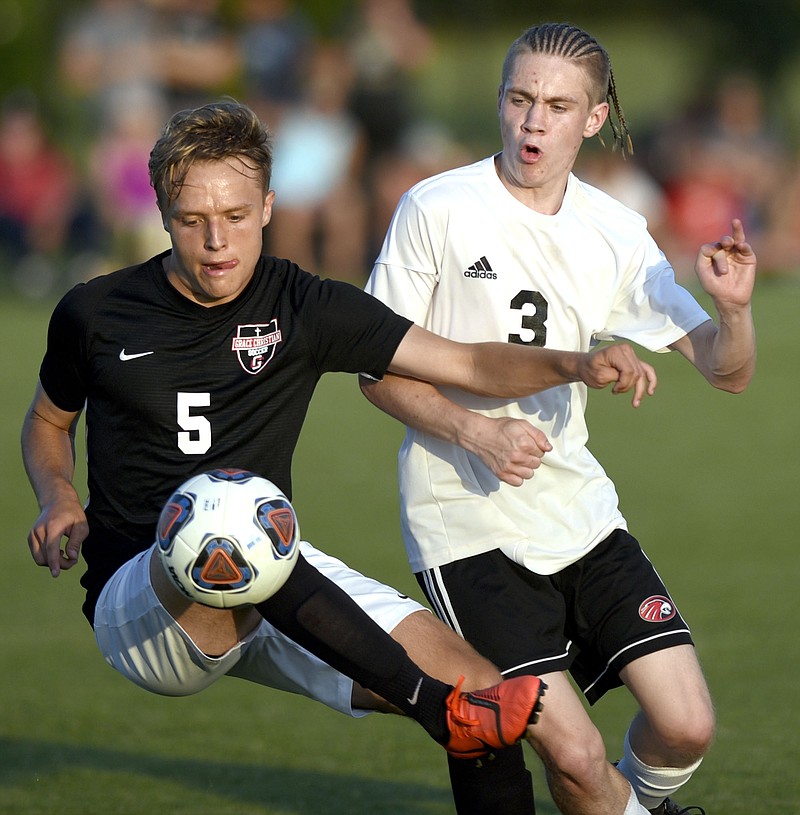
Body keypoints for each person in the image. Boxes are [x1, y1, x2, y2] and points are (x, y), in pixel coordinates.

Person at [22, 101, 658, 782]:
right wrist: (58, 494)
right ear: (161, 212)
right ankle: (429, 703)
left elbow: (466, 362)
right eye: (192, 220)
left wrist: (575, 362)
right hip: (147, 605)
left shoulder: (303, 305)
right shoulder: (95, 312)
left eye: (236, 217)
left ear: (268, 206)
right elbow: (49, 421)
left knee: (482, 686)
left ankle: (454, 706)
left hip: (274, 579)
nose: (216, 241)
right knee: (235, 515)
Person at [362, 23, 756, 815]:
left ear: (596, 117)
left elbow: (725, 368)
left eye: (557, 105)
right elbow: (376, 372)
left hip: (577, 509)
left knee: (686, 724)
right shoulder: (436, 208)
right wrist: (476, 431)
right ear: (501, 101)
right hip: (466, 528)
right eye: (520, 98)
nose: (533, 122)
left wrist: (735, 312)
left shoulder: (614, 230)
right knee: (575, 758)